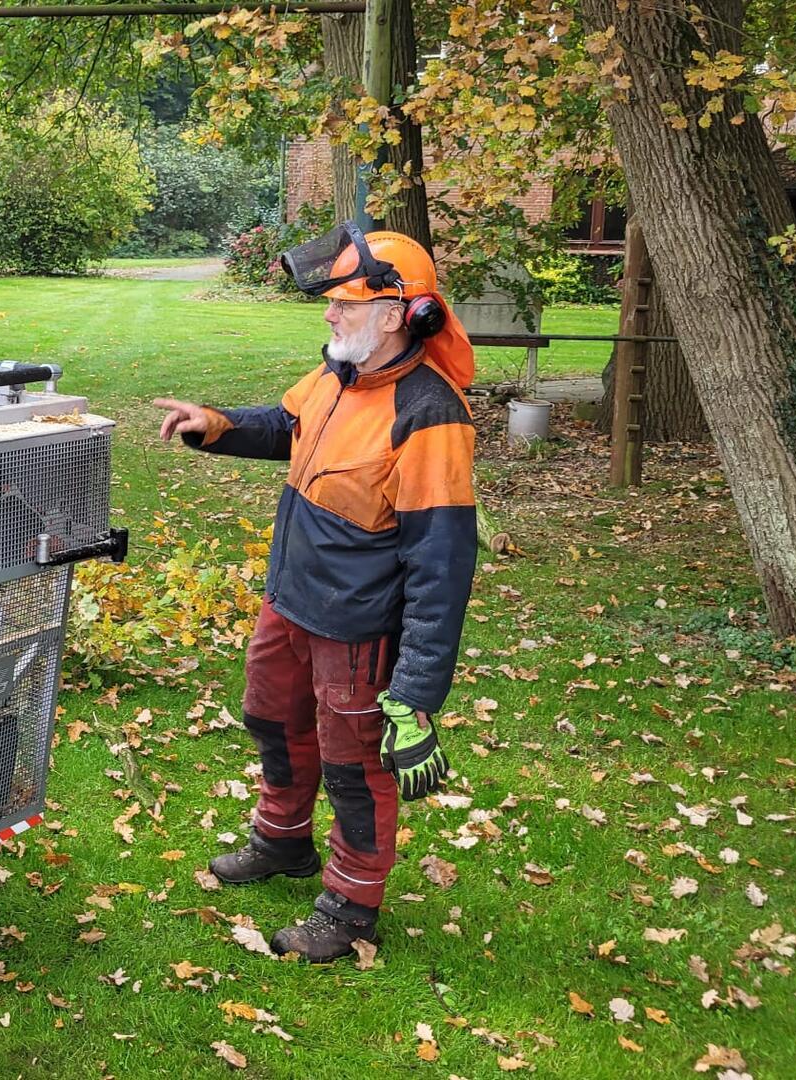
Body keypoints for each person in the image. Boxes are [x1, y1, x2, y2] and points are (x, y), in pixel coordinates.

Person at [153, 225, 477, 961]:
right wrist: (218, 425)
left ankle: (351, 904)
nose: (330, 315)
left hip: (358, 628)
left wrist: (417, 691)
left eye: (345, 302)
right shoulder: (337, 376)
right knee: (271, 718)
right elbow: (286, 426)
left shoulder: (429, 415)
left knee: (354, 764)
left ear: (397, 314)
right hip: (291, 600)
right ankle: (282, 839)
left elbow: (442, 565)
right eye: (328, 301)